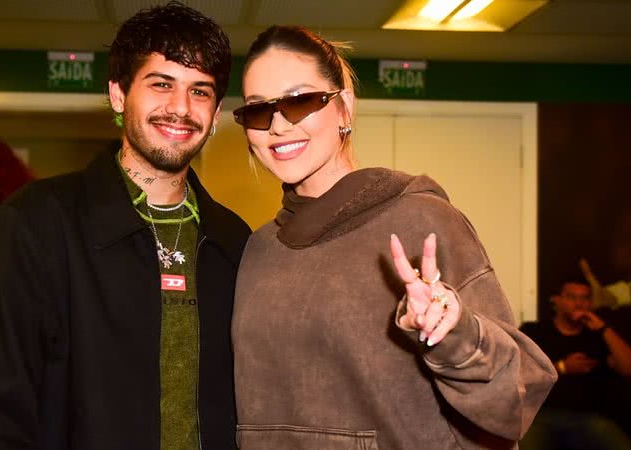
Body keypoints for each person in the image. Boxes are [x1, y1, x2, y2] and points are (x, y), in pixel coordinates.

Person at [230, 25, 557, 449]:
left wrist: (453, 333)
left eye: (300, 101)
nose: (277, 125)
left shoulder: (421, 219)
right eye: (258, 110)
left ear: (344, 107)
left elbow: (516, 397)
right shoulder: (258, 249)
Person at [0, 3, 250, 449]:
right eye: (161, 84)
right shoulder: (35, 223)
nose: (181, 108)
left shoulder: (233, 240)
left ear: (217, 112)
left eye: (200, 91)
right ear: (119, 95)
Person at [519, 276, 631, 449]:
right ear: (557, 300)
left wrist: (604, 328)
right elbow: (519, 376)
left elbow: (627, 368)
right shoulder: (535, 331)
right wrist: (562, 367)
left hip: (590, 420)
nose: (579, 304)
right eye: (572, 297)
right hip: (541, 418)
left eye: (585, 298)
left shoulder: (597, 336)